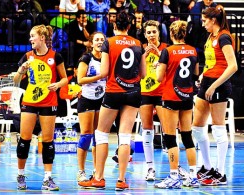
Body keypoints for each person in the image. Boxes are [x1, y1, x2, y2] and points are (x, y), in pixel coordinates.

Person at [78, 11, 145, 191]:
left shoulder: (109, 42)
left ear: (115, 26)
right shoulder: (138, 44)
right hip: (133, 92)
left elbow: (105, 71)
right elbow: (144, 74)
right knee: (124, 135)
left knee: (101, 134)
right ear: (130, 26)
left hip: (114, 91)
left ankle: (99, 178)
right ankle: (121, 180)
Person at [13, 24, 68, 191]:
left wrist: (58, 84)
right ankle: (21, 175)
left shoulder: (55, 56)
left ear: (42, 38)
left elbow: (65, 78)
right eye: (30, 36)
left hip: (49, 102)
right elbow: (15, 80)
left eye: (33, 36)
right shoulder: (28, 56)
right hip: (29, 101)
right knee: (25, 139)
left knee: (48, 140)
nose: (30, 39)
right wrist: (21, 70)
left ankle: (48, 178)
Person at [192, 5, 238, 186]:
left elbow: (232, 66)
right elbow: (213, 60)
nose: (203, 24)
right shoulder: (211, 36)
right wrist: (203, 75)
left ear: (213, 20)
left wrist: (215, 85)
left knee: (218, 128)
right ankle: (208, 166)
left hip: (218, 84)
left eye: (205, 21)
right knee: (197, 126)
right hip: (207, 82)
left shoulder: (224, 37)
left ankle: (221, 172)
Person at [154, 20, 199, 189]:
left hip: (171, 96)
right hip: (187, 96)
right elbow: (195, 75)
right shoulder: (193, 50)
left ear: (172, 34)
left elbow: (159, 78)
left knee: (170, 137)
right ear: (185, 33)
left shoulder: (167, 51)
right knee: (187, 137)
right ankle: (193, 176)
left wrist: (158, 66)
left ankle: (174, 176)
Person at [139, 20, 168, 181]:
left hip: (162, 92)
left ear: (158, 33)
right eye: (148, 32)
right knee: (147, 129)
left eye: (154, 32)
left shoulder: (166, 49)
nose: (151, 35)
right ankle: (150, 167)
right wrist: (144, 54)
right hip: (145, 92)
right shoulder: (140, 49)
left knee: (168, 129)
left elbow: (171, 70)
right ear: (144, 34)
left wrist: (158, 55)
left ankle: (175, 166)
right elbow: (135, 68)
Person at [76, 31, 106, 182]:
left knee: (98, 136)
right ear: (92, 43)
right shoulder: (86, 58)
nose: (100, 42)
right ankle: (81, 171)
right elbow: (80, 79)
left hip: (101, 99)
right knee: (86, 135)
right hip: (87, 99)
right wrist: (99, 76)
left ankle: (96, 170)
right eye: (97, 40)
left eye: (102, 39)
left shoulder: (107, 58)